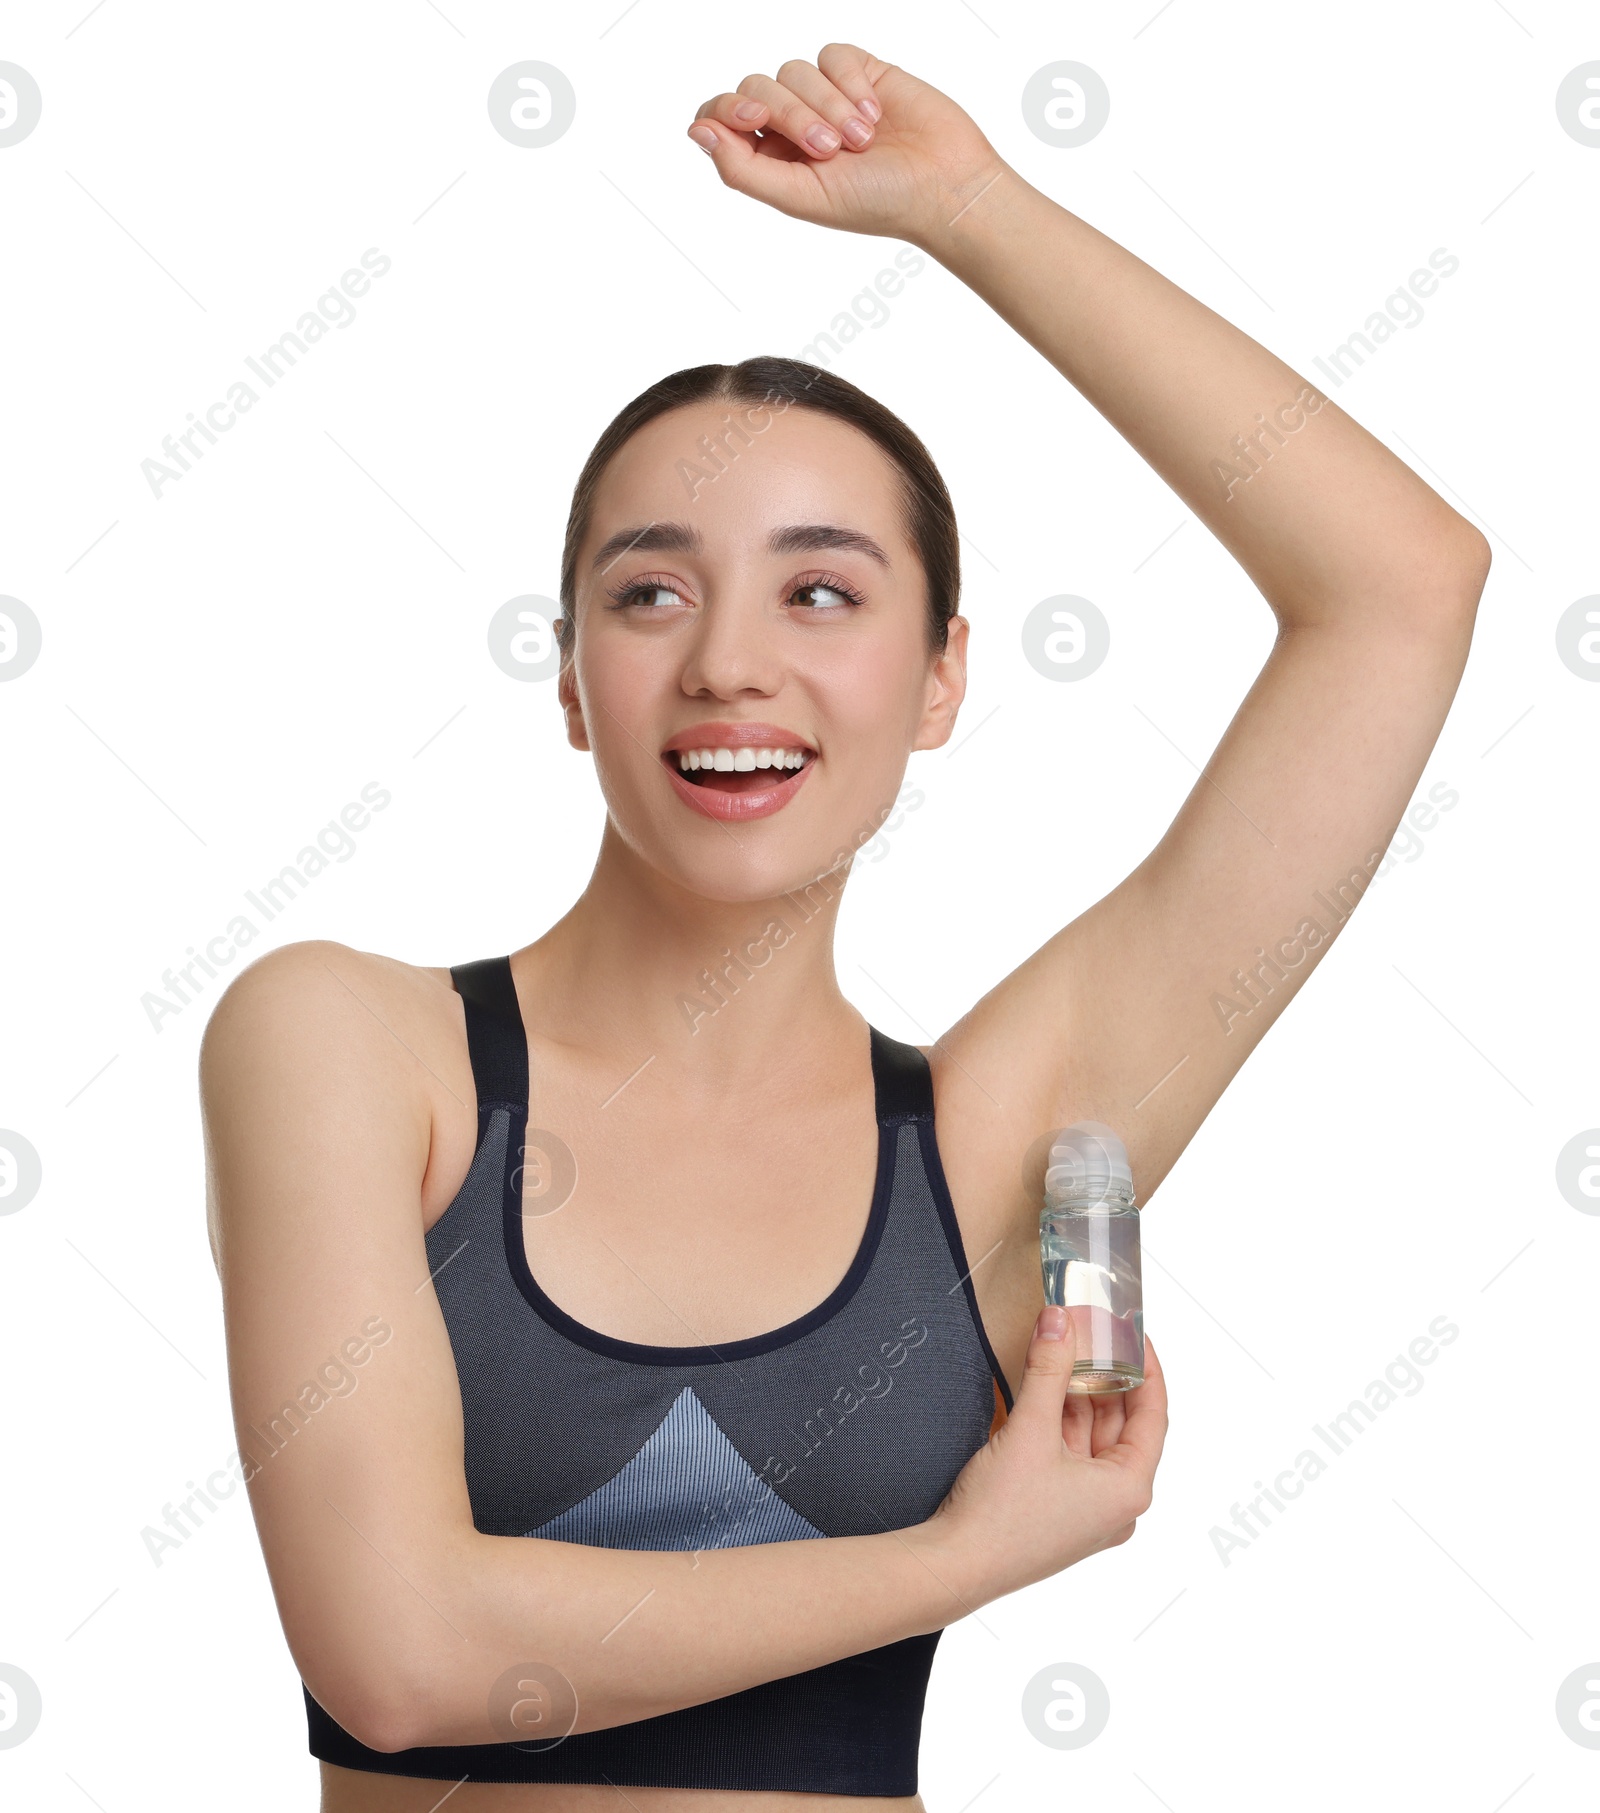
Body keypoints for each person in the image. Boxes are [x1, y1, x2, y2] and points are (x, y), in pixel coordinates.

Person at [201, 42, 1487, 1812]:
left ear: (944, 673)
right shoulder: (350, 1046)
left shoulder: (990, 1147)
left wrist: (970, 213)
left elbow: (1402, 592)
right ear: (571, 678)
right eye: (651, 589)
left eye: (823, 589)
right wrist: (965, 1555)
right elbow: (403, 1654)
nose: (732, 658)